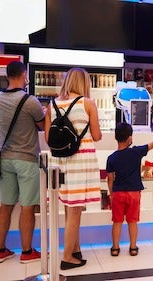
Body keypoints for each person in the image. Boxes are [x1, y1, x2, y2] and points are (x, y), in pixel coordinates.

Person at [44, 68, 102, 270]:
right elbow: (96, 135)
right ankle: (67, 256)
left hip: (60, 163)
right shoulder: (88, 103)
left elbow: (48, 138)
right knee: (75, 211)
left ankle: (75, 248)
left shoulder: (52, 104)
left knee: (71, 208)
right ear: (84, 83)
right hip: (80, 162)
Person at [0, 61, 45, 263]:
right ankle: (27, 252)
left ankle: (0, 249)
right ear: (23, 75)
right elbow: (42, 126)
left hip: (5, 159)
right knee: (27, 206)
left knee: (5, 205)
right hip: (27, 159)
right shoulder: (30, 101)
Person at [107, 123, 153, 257]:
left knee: (117, 222)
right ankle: (133, 247)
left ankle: (115, 248)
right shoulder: (136, 152)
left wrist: (111, 194)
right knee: (132, 221)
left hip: (118, 193)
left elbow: (110, 178)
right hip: (134, 193)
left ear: (116, 138)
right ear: (130, 138)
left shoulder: (111, 158)